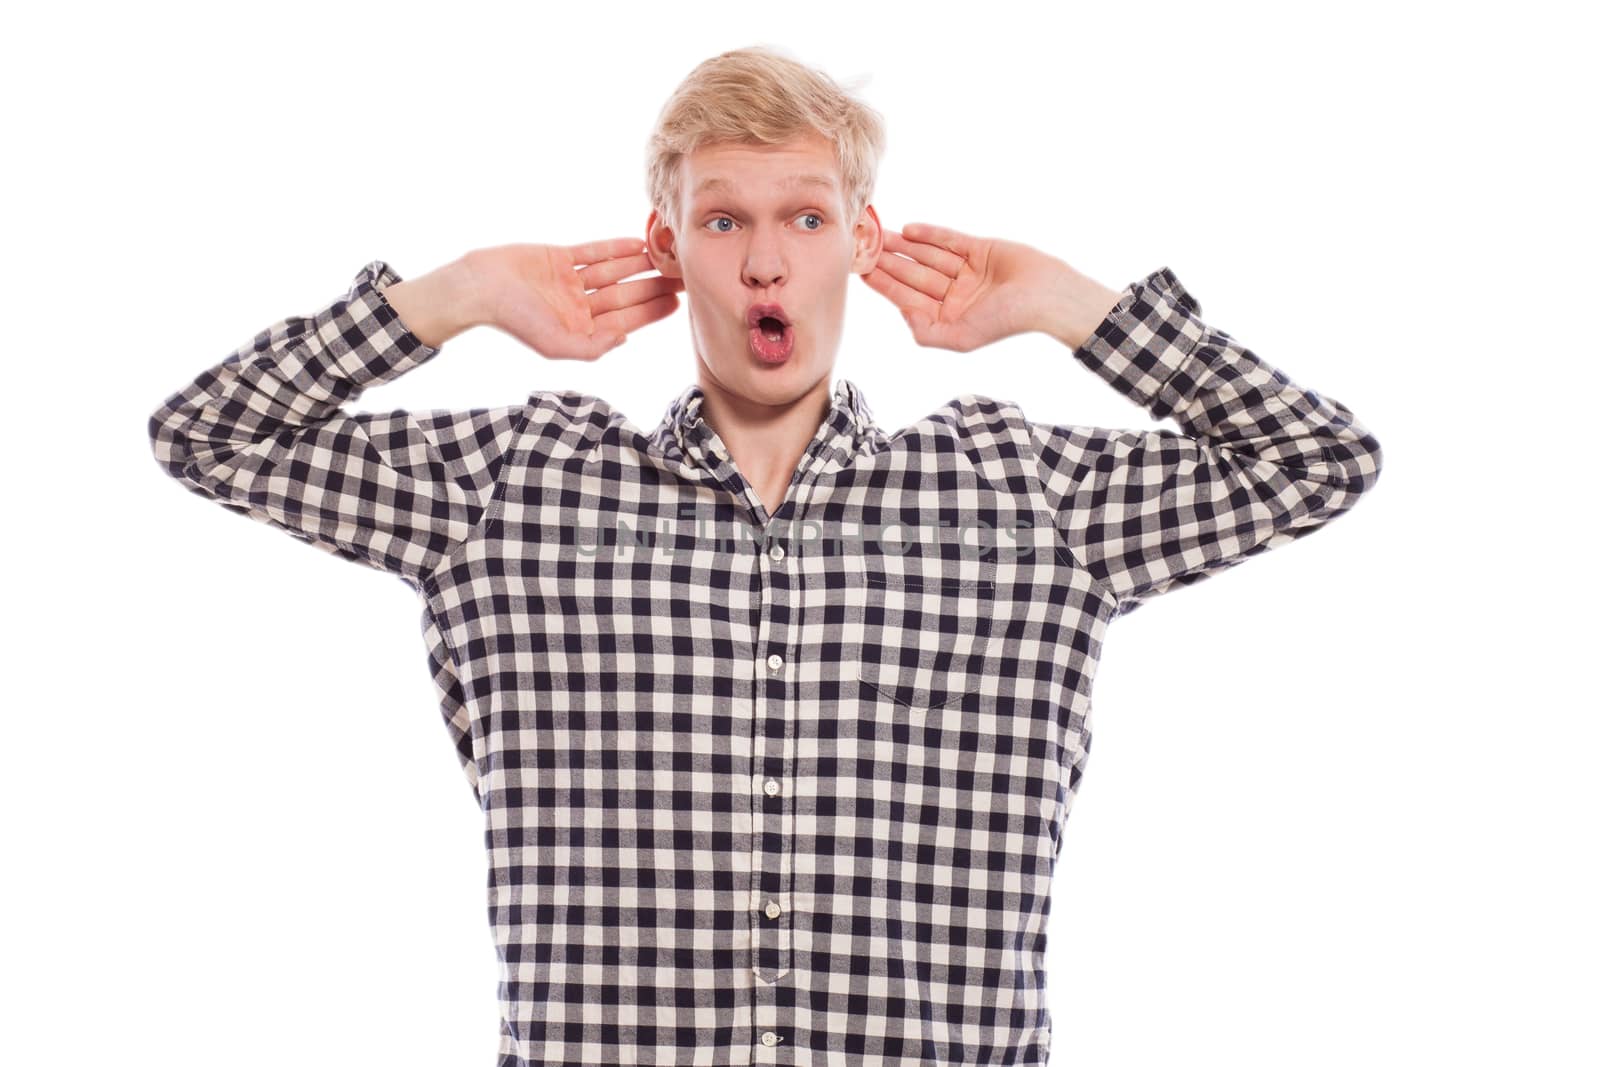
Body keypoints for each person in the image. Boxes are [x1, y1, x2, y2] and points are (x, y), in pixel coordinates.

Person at [147, 45, 1382, 1067]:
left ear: (858, 237)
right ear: (669, 245)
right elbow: (206, 433)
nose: (764, 261)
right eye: (722, 218)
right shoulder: (509, 487)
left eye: (804, 215)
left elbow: (1320, 460)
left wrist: (1076, 312)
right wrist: (458, 293)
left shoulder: (1024, 494)